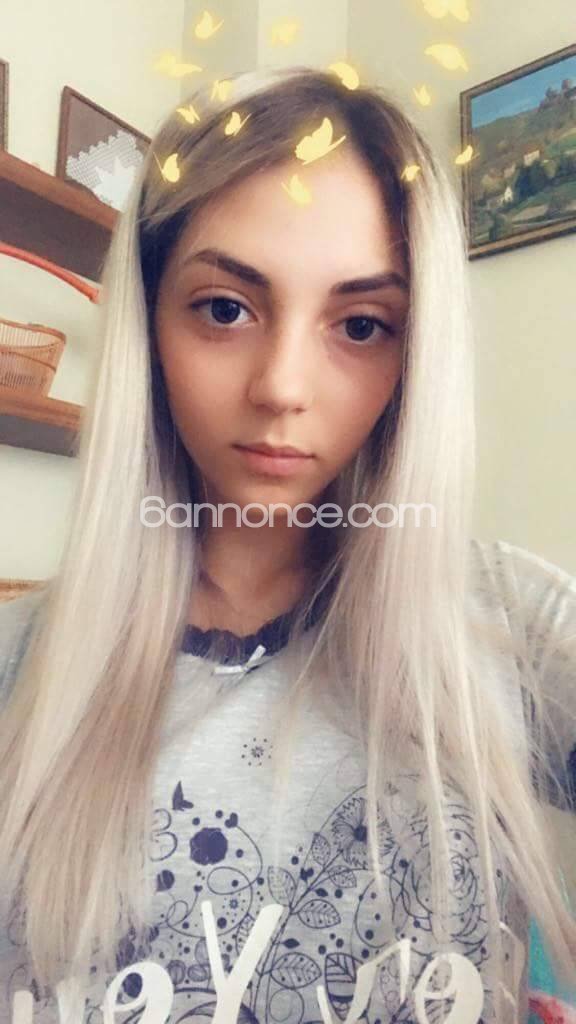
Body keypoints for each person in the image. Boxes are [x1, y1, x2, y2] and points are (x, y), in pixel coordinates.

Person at [0, 65, 574, 1024]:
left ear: (415, 353)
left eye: (361, 325)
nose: (282, 387)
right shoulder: (21, 667)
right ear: (150, 321)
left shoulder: (510, 626)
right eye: (225, 308)